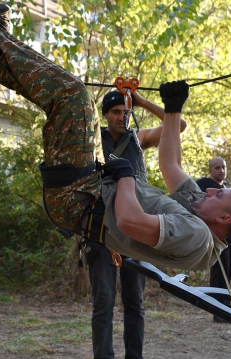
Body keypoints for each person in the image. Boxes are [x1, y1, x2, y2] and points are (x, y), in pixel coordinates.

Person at [0, 4, 231, 272]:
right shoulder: (196, 209)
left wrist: (125, 175)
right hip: (89, 190)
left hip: (80, 201)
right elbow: (171, 164)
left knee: (74, 97)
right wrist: (173, 109)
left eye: (219, 195)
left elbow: (129, 221)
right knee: (64, 100)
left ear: (225, 219)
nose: (211, 189)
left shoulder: (198, 237)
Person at [84, 90, 186, 359]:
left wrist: (139, 101)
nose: (122, 117)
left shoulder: (139, 139)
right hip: (102, 228)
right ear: (105, 115)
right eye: (116, 112)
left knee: (135, 302)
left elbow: (179, 125)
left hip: (135, 227)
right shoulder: (92, 142)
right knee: (103, 302)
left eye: (126, 112)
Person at [196, 157, 231, 323]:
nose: (221, 170)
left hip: (230, 238)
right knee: (219, 274)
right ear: (210, 170)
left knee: (228, 272)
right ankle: (218, 310)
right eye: (217, 168)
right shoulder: (203, 185)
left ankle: (227, 308)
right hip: (215, 237)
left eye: (223, 167)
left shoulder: (226, 190)